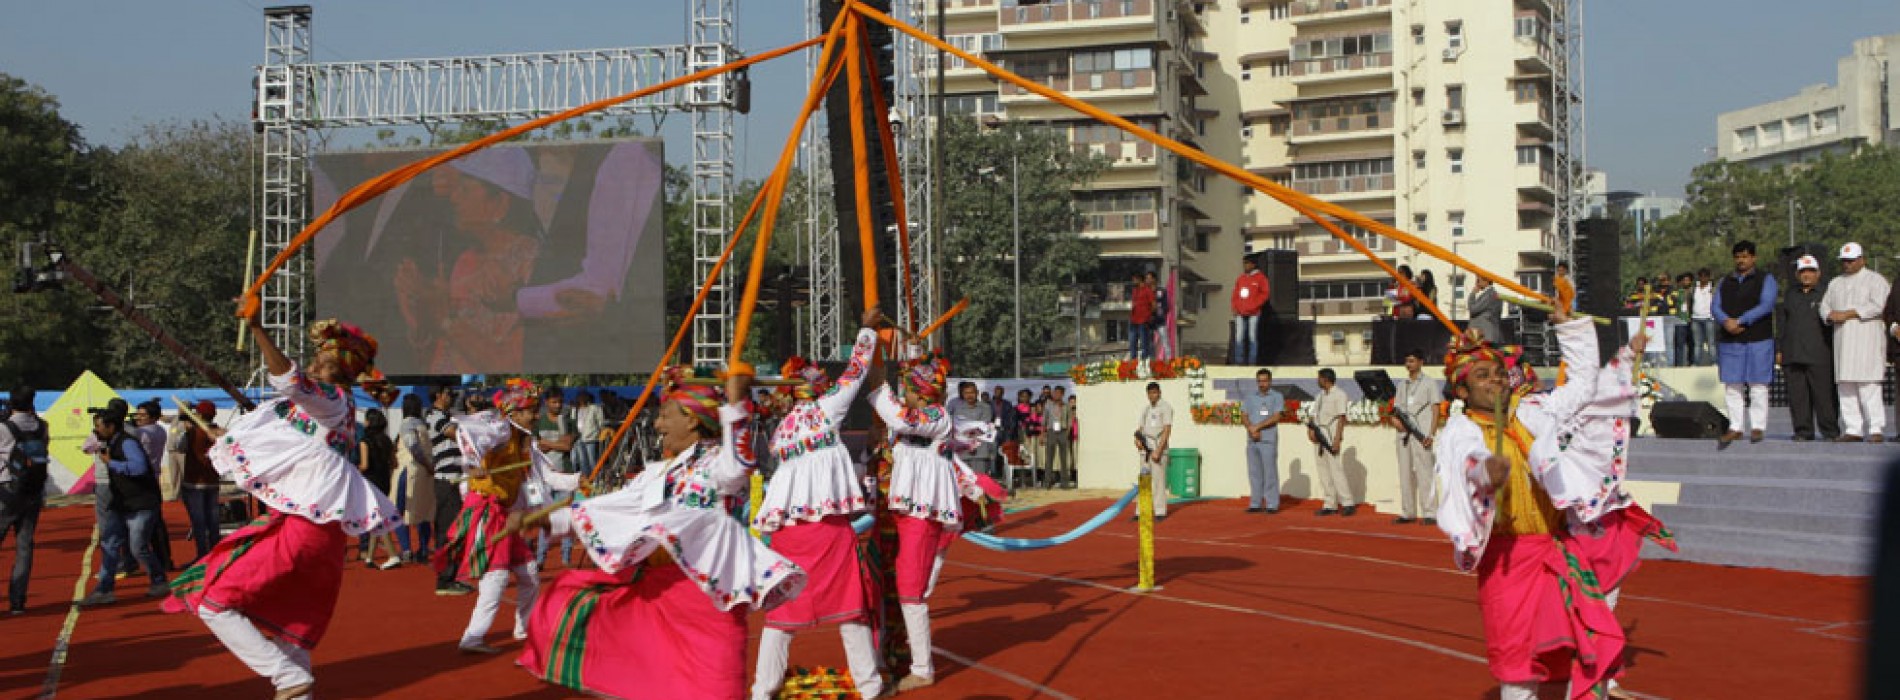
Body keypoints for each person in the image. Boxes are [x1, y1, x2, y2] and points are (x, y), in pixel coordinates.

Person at [504, 369, 802, 699]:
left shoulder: (717, 465)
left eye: (664, 416)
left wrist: (736, 405)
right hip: (657, 593)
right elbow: (613, 508)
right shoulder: (658, 473)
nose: (658, 426)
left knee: (717, 689)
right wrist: (542, 520)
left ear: (691, 420)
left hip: (707, 600)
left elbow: (740, 463)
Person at [166, 317, 403, 700]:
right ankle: (294, 683)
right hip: (320, 535)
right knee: (291, 632)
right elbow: (283, 436)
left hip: (303, 528)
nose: (312, 365)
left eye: (321, 362)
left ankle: (286, 679)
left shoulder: (330, 400)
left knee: (213, 603)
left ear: (339, 370)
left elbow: (289, 379)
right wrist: (224, 438)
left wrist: (258, 327)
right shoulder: (323, 413)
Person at [1432, 312, 1626, 700]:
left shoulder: (1532, 413)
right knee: (1519, 665)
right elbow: (1465, 463)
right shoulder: (1460, 431)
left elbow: (1584, 387)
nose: (1497, 380)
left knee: (1587, 639)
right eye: (1482, 376)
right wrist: (1488, 472)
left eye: (1499, 373)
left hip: (1555, 550)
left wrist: (1569, 327)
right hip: (1507, 561)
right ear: (1462, 392)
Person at [1526, 308, 1674, 700]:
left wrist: (1627, 353)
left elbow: (1593, 381)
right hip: (1574, 525)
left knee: (1604, 608)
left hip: (1609, 519)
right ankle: (1586, 684)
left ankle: (1600, 681)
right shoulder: (1533, 414)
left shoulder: (1569, 401)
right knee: (1579, 612)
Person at [751, 309, 886, 700]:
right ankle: (870, 687)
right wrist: (866, 328)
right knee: (850, 609)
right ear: (818, 387)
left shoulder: (783, 429)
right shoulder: (829, 410)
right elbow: (857, 370)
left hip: (788, 531)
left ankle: (763, 690)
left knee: (780, 616)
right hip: (827, 527)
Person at [433, 379, 582, 654]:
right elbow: (466, 432)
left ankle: (524, 628)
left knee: (529, 574)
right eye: (531, 411)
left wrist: (580, 480)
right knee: (497, 576)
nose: (536, 416)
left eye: (535, 410)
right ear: (514, 413)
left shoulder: (527, 442)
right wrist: (473, 464)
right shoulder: (501, 431)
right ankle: (473, 637)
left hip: (509, 514)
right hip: (488, 510)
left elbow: (548, 477)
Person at [80, 409, 169, 606]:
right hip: (123, 502)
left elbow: (138, 468)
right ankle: (104, 589)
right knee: (110, 544)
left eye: (99, 426)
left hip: (141, 503)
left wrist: (111, 463)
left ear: (111, 427)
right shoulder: (110, 442)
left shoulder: (127, 443)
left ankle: (159, 579)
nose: (96, 430)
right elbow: (85, 448)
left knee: (138, 547)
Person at [1820, 242, 1892, 442]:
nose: (1847, 264)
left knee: (1868, 386)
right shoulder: (1835, 283)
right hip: (1843, 342)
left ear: (1862, 260)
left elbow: (1879, 306)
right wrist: (1830, 315)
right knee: (1846, 387)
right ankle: (1853, 429)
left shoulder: (1875, 280)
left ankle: (1876, 428)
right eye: (1844, 261)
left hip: (1866, 340)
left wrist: (1850, 313)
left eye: (1851, 261)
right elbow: (1824, 306)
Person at [1712, 240, 1778, 445]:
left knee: (1758, 384)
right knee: (1732, 385)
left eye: (1745, 256)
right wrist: (1726, 321)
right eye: (1738, 257)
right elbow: (1715, 307)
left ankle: (1757, 426)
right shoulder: (1725, 281)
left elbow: (1766, 305)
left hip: (1758, 338)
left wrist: (1741, 320)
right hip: (1730, 339)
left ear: (1753, 258)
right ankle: (1735, 427)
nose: (1741, 260)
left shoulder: (1765, 279)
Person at [1777, 256, 1841, 442]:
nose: (1806, 275)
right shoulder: (1790, 294)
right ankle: (1803, 431)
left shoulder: (1827, 293)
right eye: (1803, 271)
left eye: (1810, 271)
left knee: (1824, 396)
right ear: (1797, 274)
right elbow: (1782, 323)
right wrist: (1779, 349)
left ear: (1818, 273)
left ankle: (1830, 431)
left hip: (1820, 352)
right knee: (1798, 397)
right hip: (1793, 352)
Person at [0, 386, 49, 615]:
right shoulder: (42, 426)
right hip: (32, 490)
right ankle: (18, 600)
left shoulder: (4, 427)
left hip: (6, 489)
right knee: (24, 546)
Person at [425, 386, 472, 595]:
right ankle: (445, 579)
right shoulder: (435, 417)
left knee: (453, 531)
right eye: (448, 394)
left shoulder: (447, 416)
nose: (451, 397)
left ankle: (449, 576)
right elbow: (456, 435)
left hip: (452, 481)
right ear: (438, 395)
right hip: (446, 482)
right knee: (447, 532)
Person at [1389, 350, 1442, 525]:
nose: (1408, 364)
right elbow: (1396, 409)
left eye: (1412, 361)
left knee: (1424, 472)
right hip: (1403, 434)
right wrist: (1395, 421)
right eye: (1407, 361)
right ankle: (1407, 512)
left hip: (1422, 434)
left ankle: (1430, 512)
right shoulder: (1401, 385)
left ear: (1420, 362)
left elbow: (1436, 409)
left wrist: (1432, 433)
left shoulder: (1429, 383)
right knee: (1404, 473)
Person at [534, 390, 578, 566]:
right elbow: (535, 447)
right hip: (543, 477)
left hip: (564, 474)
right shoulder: (537, 423)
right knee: (544, 518)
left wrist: (546, 443)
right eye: (554, 402)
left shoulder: (569, 422)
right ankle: (540, 558)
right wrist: (554, 445)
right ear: (546, 403)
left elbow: (567, 446)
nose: (558, 405)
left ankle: (566, 557)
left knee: (566, 517)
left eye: (560, 402)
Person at [175, 400, 223, 564]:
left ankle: (203, 556)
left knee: (199, 522)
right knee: (213, 521)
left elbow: (179, 447)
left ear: (200, 415)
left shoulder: (193, 433)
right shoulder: (219, 433)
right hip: (213, 481)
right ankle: (216, 554)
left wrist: (187, 431)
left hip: (194, 482)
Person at [132, 401, 177, 573]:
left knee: (149, 523)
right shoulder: (159, 430)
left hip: (145, 480)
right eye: (138, 414)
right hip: (153, 478)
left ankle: (155, 561)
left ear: (152, 417)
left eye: (142, 415)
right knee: (157, 522)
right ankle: (164, 558)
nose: (138, 418)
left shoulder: (143, 433)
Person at [393, 394, 437, 561]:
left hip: (410, 469)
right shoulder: (424, 425)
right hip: (426, 472)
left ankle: (406, 549)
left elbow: (413, 446)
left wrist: (425, 464)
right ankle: (424, 548)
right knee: (423, 510)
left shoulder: (407, 424)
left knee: (400, 510)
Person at [1241, 369, 1286, 514]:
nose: (1262, 384)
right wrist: (1250, 429)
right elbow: (1244, 415)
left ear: (1270, 381)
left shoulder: (1276, 397)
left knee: (1270, 472)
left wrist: (1258, 427)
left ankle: (1272, 503)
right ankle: (1255, 502)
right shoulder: (1250, 397)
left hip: (1267, 439)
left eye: (1265, 381)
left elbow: (1276, 416)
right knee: (1254, 473)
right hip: (1252, 439)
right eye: (1259, 381)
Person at [1310, 368, 1354, 516]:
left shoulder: (1340, 394)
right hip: (1319, 434)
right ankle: (1330, 503)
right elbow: (1314, 414)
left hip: (1331, 434)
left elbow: (1342, 418)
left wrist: (1337, 439)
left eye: (1319, 378)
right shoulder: (1320, 396)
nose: (1317, 381)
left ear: (1325, 379)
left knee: (1336, 470)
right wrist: (1311, 430)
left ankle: (1347, 502)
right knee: (1323, 471)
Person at [1134, 382, 1174, 520]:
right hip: (1145, 449)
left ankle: (1160, 511)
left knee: (1158, 482)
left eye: (1154, 392)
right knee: (1144, 480)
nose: (1152, 395)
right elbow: (1139, 428)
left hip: (1158, 448)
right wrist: (1137, 440)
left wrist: (1159, 450)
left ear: (1159, 393)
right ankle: (1142, 511)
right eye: (1150, 393)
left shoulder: (1166, 407)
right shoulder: (1146, 409)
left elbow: (1167, 430)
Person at [949, 381, 997, 479]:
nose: (969, 395)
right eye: (966, 393)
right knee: (964, 481)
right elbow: (957, 428)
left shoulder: (986, 408)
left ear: (977, 393)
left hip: (980, 450)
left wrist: (967, 428)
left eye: (972, 392)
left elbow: (983, 427)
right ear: (962, 394)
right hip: (963, 450)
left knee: (980, 480)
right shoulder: (958, 409)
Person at [1232, 257, 1270, 364]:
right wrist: (1235, 307)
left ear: (1253, 265)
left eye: (1247, 263)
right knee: (1239, 337)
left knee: (1252, 337)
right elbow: (1235, 294)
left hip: (1254, 313)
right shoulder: (1241, 278)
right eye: (1244, 263)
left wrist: (1254, 305)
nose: (1245, 266)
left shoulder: (1261, 278)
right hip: (1240, 312)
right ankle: (1238, 362)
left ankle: (1252, 362)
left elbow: (1265, 294)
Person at [1042, 386, 1075, 488]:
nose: (1056, 395)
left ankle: (1064, 482)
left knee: (1063, 458)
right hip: (1051, 431)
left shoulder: (1066, 406)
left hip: (1062, 431)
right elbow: (1044, 420)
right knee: (1049, 457)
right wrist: (1043, 433)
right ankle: (1047, 481)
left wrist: (1067, 432)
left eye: (1058, 393)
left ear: (1062, 394)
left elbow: (1070, 420)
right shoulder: (1048, 405)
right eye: (1055, 393)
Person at [571, 390, 605, 477]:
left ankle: (596, 477)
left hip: (591, 437)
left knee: (592, 460)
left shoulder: (594, 408)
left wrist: (599, 432)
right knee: (582, 460)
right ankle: (586, 478)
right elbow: (572, 421)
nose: (581, 399)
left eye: (583, 397)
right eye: (579, 397)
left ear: (587, 398)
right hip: (578, 437)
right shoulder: (575, 409)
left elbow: (601, 422)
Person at [1670, 272, 1696, 367]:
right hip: (1680, 320)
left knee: (1692, 343)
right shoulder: (1675, 293)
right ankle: (1679, 364)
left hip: (1691, 320)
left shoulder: (1694, 292)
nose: (1686, 282)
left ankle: (1691, 362)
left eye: (1688, 280)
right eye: (1684, 280)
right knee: (1679, 343)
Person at [1691, 268, 1716, 366]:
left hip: (1709, 318)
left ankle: (1714, 361)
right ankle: (1696, 362)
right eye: (1701, 276)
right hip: (1696, 318)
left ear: (1709, 277)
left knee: (1711, 342)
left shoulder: (1713, 288)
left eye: (1705, 276)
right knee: (1697, 343)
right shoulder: (1694, 288)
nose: (1703, 278)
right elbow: (1689, 302)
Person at [1129, 272, 1155, 360]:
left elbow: (1153, 305)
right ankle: (1133, 362)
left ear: (1139, 279)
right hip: (1133, 321)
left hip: (1143, 321)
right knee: (1132, 343)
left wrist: (1149, 316)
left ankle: (1144, 362)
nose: (1133, 281)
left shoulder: (1147, 290)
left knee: (1144, 344)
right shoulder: (1134, 290)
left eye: (1134, 279)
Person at [1468, 276, 1502, 344]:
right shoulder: (1489, 294)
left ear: (1486, 281)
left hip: (1485, 335)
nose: (1476, 283)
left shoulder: (1490, 294)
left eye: (1478, 280)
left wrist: (1473, 293)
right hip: (1484, 335)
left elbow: (1473, 309)